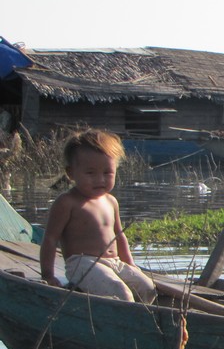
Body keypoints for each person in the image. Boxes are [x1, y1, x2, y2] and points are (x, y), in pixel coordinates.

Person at [39, 129, 157, 303]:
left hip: (114, 262)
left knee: (148, 288)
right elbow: (50, 239)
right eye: (90, 173)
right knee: (120, 294)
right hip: (83, 263)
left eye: (107, 173)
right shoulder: (67, 202)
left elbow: (119, 235)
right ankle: (122, 322)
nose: (100, 180)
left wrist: (130, 265)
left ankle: (141, 319)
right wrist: (48, 275)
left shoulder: (111, 201)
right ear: (71, 173)